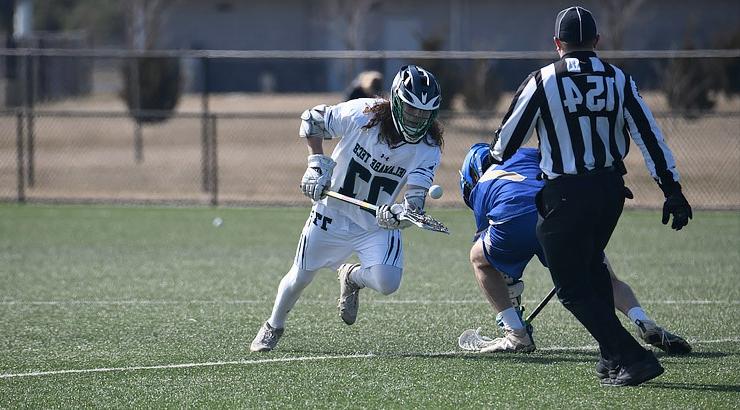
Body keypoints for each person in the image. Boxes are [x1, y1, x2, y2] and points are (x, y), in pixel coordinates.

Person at [489, 6, 693, 387]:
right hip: (610, 193)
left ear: (557, 44)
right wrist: (673, 190)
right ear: (597, 42)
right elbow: (651, 138)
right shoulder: (619, 79)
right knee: (593, 269)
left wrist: (492, 157)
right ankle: (610, 359)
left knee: (571, 287)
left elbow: (505, 143)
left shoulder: (543, 80)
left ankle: (632, 358)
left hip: (565, 192)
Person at [251, 65, 443, 352]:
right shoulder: (364, 113)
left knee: (388, 282)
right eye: (412, 110)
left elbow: (415, 201)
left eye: (425, 114)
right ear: (396, 102)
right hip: (332, 213)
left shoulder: (429, 146)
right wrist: (315, 164)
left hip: (374, 224)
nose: (418, 119)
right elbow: (312, 119)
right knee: (299, 277)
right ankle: (273, 325)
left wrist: (400, 215)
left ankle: (350, 275)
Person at [457, 144, 692, 358]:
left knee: (480, 260)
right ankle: (643, 320)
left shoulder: (482, 186)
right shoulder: (527, 154)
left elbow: (495, 255)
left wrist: (511, 293)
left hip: (514, 219)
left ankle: (516, 334)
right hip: (561, 211)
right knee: (605, 278)